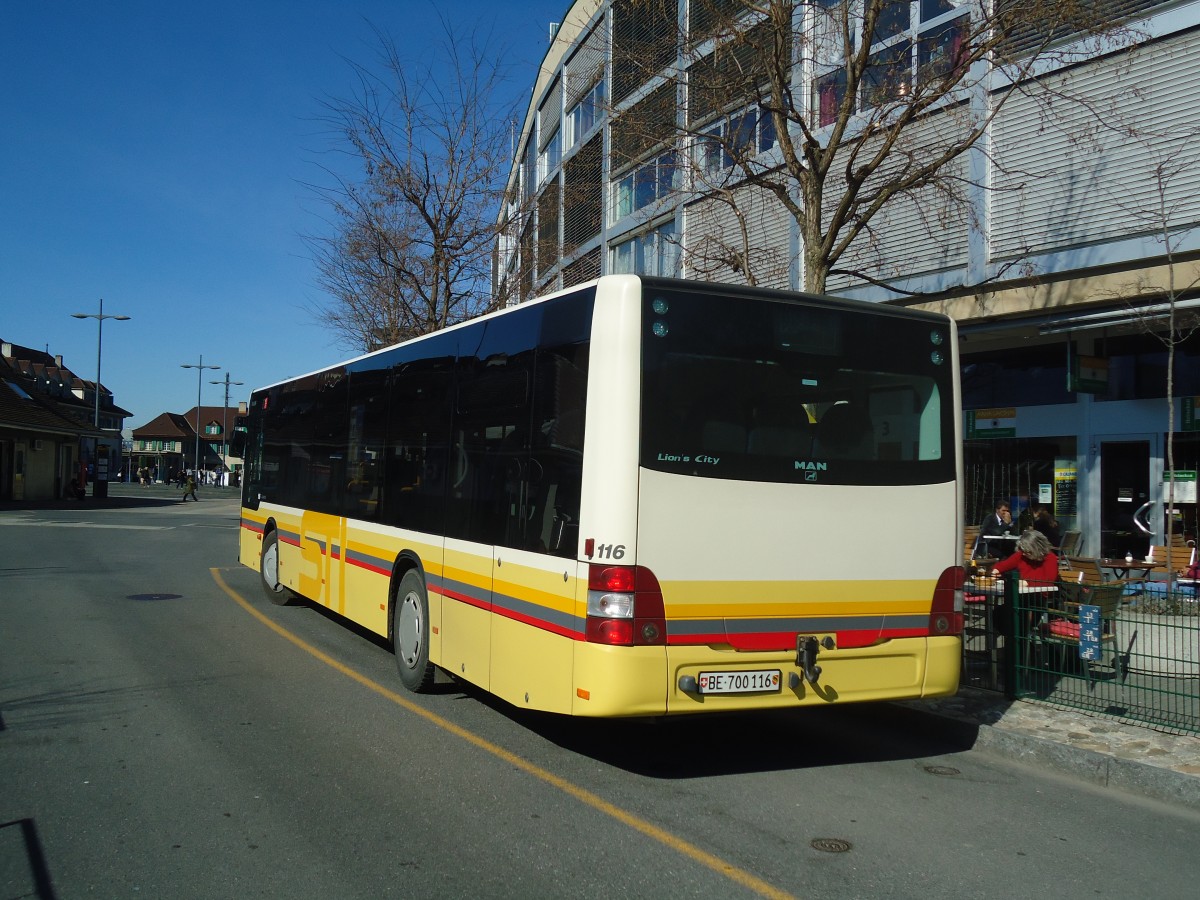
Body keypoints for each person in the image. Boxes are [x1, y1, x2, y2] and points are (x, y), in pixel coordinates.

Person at [992, 529, 1058, 584]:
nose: (1023, 554)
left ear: (1036, 549)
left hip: (1041, 596)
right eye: (1022, 551)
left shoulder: (1050, 558)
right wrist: (996, 571)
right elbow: (1003, 565)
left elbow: (1048, 581)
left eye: (1027, 551)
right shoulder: (1021, 555)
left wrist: (1026, 583)